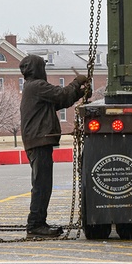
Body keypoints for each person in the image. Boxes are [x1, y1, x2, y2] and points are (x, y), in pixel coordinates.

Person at [19, 54, 90, 237]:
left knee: (42, 184)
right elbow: (61, 94)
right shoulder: (37, 86)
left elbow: (61, 101)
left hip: (38, 141)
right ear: (37, 69)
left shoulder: (32, 88)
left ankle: (37, 223)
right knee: (41, 185)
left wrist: (79, 92)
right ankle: (35, 225)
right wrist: (77, 82)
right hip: (39, 141)